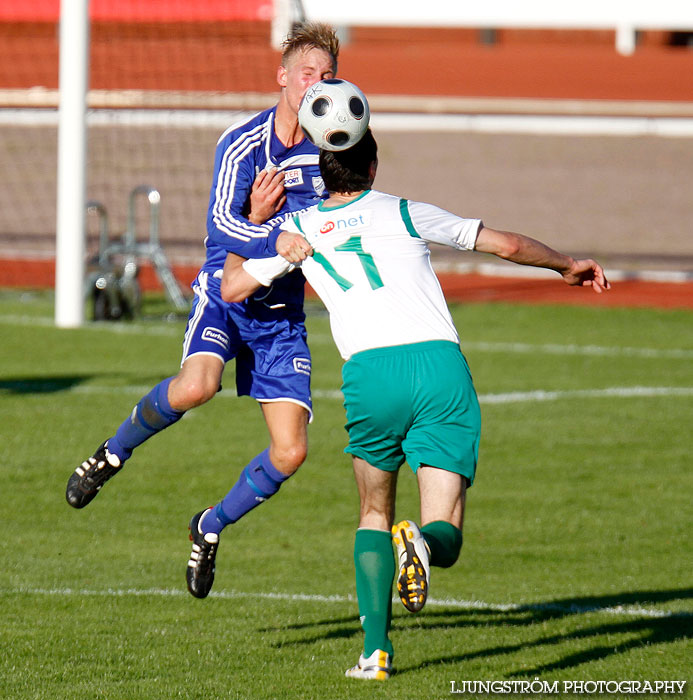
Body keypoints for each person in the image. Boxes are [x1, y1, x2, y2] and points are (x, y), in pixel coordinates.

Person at [219, 128, 610, 680]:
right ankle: (423, 544)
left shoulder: (299, 228)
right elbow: (505, 244)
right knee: (445, 528)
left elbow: (231, 287)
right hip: (438, 369)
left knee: (373, 512)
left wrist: (267, 232)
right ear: (373, 167)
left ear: (322, 176)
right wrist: (565, 264)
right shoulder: (404, 210)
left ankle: (375, 654)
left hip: (370, 377)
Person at [65, 23, 340, 599]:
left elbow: (333, 226)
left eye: (328, 76)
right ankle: (112, 453)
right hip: (226, 292)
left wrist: (280, 227)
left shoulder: (330, 153)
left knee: (291, 452)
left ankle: (209, 526)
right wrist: (273, 232)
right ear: (283, 78)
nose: (318, 84)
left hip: (281, 316)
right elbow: (222, 225)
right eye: (308, 73)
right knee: (196, 387)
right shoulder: (241, 142)